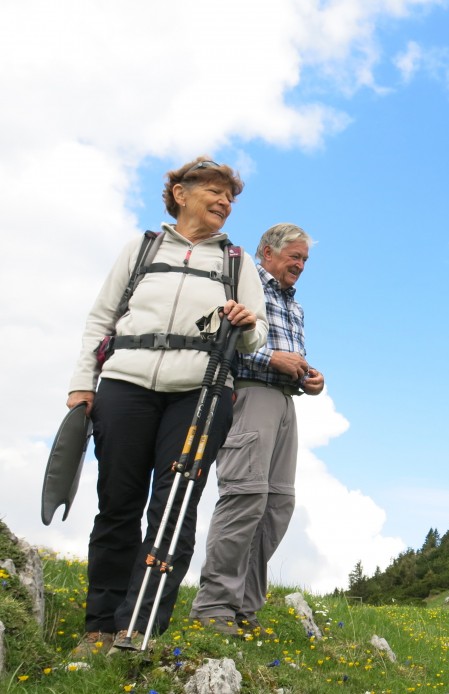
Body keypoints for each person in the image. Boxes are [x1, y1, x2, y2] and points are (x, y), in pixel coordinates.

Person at [66, 157, 268, 656]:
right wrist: (81, 384)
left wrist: (244, 322)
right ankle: (98, 629)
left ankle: (138, 629)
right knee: (117, 502)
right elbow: (101, 320)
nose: (225, 202)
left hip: (201, 392)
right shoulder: (142, 248)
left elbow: (256, 334)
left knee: (174, 508)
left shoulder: (237, 262)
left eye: (231, 197)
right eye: (215, 192)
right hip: (125, 383)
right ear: (180, 193)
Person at [190, 223, 324, 636]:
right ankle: (213, 607)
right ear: (268, 252)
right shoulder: (244, 284)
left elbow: (291, 355)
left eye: (304, 259)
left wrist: (308, 376)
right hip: (247, 395)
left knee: (276, 506)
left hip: (285, 403)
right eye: (294, 257)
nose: (300, 265)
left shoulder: (295, 306)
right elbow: (217, 338)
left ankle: (245, 608)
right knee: (244, 498)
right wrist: (272, 360)